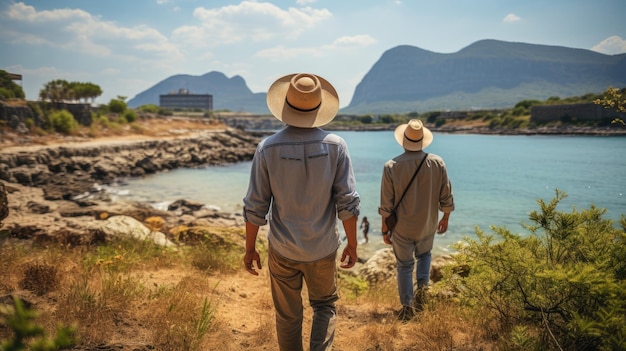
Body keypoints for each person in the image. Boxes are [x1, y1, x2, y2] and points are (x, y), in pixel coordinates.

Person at [243, 73, 360, 351]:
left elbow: (255, 204)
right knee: (324, 306)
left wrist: (250, 248)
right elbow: (348, 202)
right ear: (319, 108)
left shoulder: (267, 148)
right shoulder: (336, 146)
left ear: (285, 106)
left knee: (287, 315)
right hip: (322, 247)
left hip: (283, 248)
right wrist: (352, 243)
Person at [378, 119, 454, 321]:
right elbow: (445, 195)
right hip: (427, 224)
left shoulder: (391, 166)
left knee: (404, 266)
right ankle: (422, 297)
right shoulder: (437, 163)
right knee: (425, 256)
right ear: (422, 141)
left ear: (403, 140)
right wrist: (445, 217)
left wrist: (385, 230)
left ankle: (407, 308)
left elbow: (386, 204)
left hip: (402, 228)